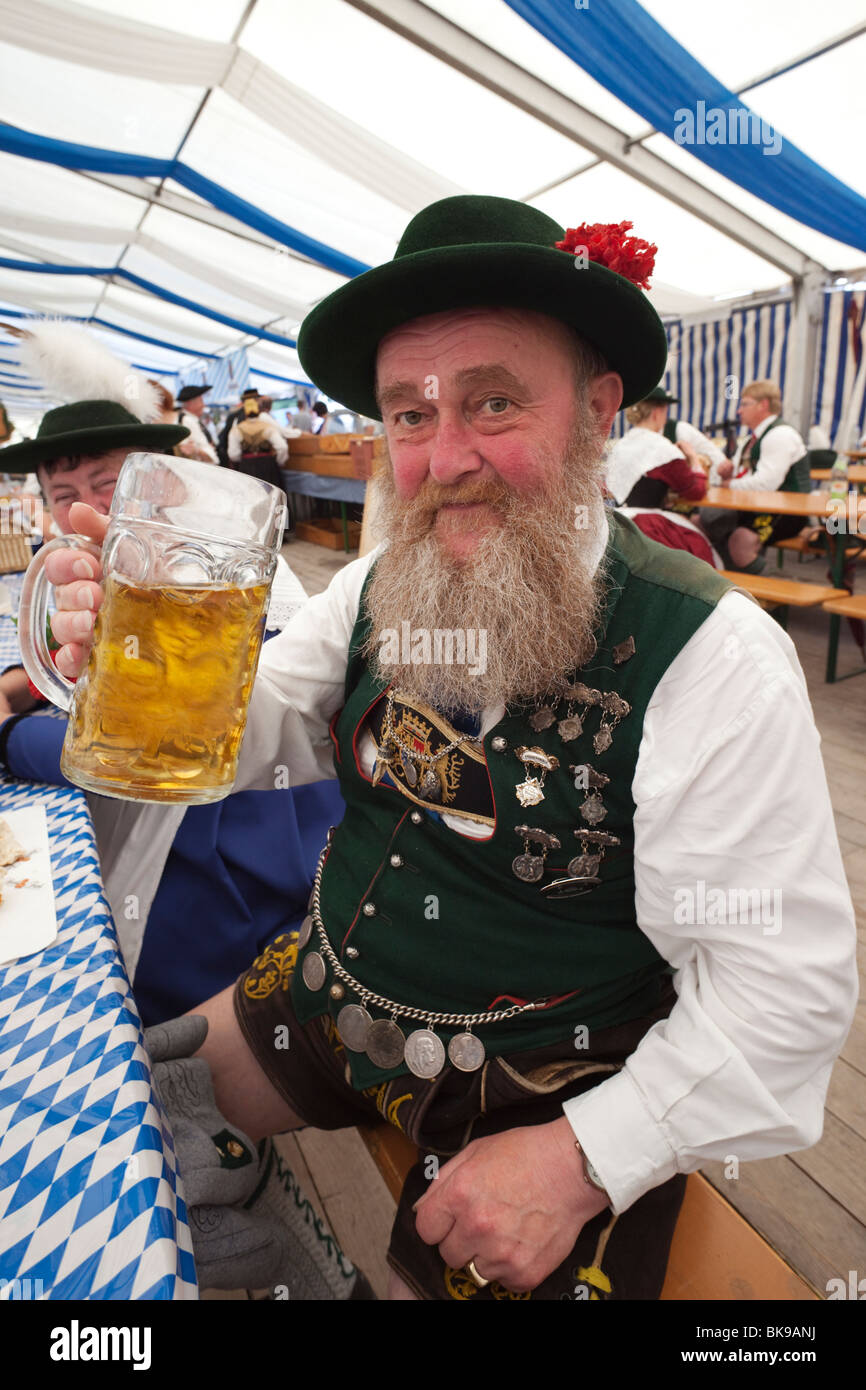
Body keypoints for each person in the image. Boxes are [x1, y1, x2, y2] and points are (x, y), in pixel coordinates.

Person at [45, 197, 857, 1303]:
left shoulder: (710, 657)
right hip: (330, 991)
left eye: (491, 401)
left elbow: (785, 989)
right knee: (98, 1115)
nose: (443, 459)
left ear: (596, 408)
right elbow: (263, 725)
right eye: (408, 416)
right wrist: (134, 680)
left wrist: (580, 1157)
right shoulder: (382, 581)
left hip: (543, 1086)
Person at [604, 386, 720, 565]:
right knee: (699, 552)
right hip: (648, 525)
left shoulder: (623, 444)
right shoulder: (663, 449)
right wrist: (693, 459)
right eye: (665, 411)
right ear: (657, 412)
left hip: (618, 521)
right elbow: (695, 492)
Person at [702, 380, 810, 570]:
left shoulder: (780, 435)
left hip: (789, 512)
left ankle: (767, 597)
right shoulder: (750, 440)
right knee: (702, 522)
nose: (739, 411)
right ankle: (724, 582)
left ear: (764, 405)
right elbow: (732, 477)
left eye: (744, 404)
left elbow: (765, 485)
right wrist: (723, 476)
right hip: (759, 507)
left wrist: (728, 484)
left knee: (740, 540)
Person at [177, 383, 219, 463]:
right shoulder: (188, 421)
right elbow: (208, 454)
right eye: (201, 400)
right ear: (191, 403)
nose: (203, 405)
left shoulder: (189, 419)